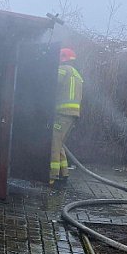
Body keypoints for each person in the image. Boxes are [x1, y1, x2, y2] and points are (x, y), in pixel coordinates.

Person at [50, 47, 83, 186]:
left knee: (53, 143)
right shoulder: (77, 74)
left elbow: (51, 84)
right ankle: (64, 173)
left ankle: (52, 176)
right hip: (72, 114)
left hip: (62, 113)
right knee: (60, 143)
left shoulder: (63, 70)